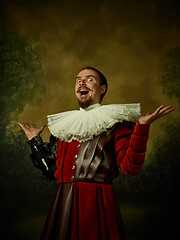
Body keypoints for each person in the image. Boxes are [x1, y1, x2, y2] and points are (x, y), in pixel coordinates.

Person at [18, 66, 173, 240]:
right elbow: (51, 171)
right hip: (64, 203)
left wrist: (142, 129)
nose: (81, 82)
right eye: (78, 80)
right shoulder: (64, 127)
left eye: (89, 79)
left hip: (97, 203)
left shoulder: (116, 122)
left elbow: (130, 167)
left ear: (102, 89)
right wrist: (35, 142)